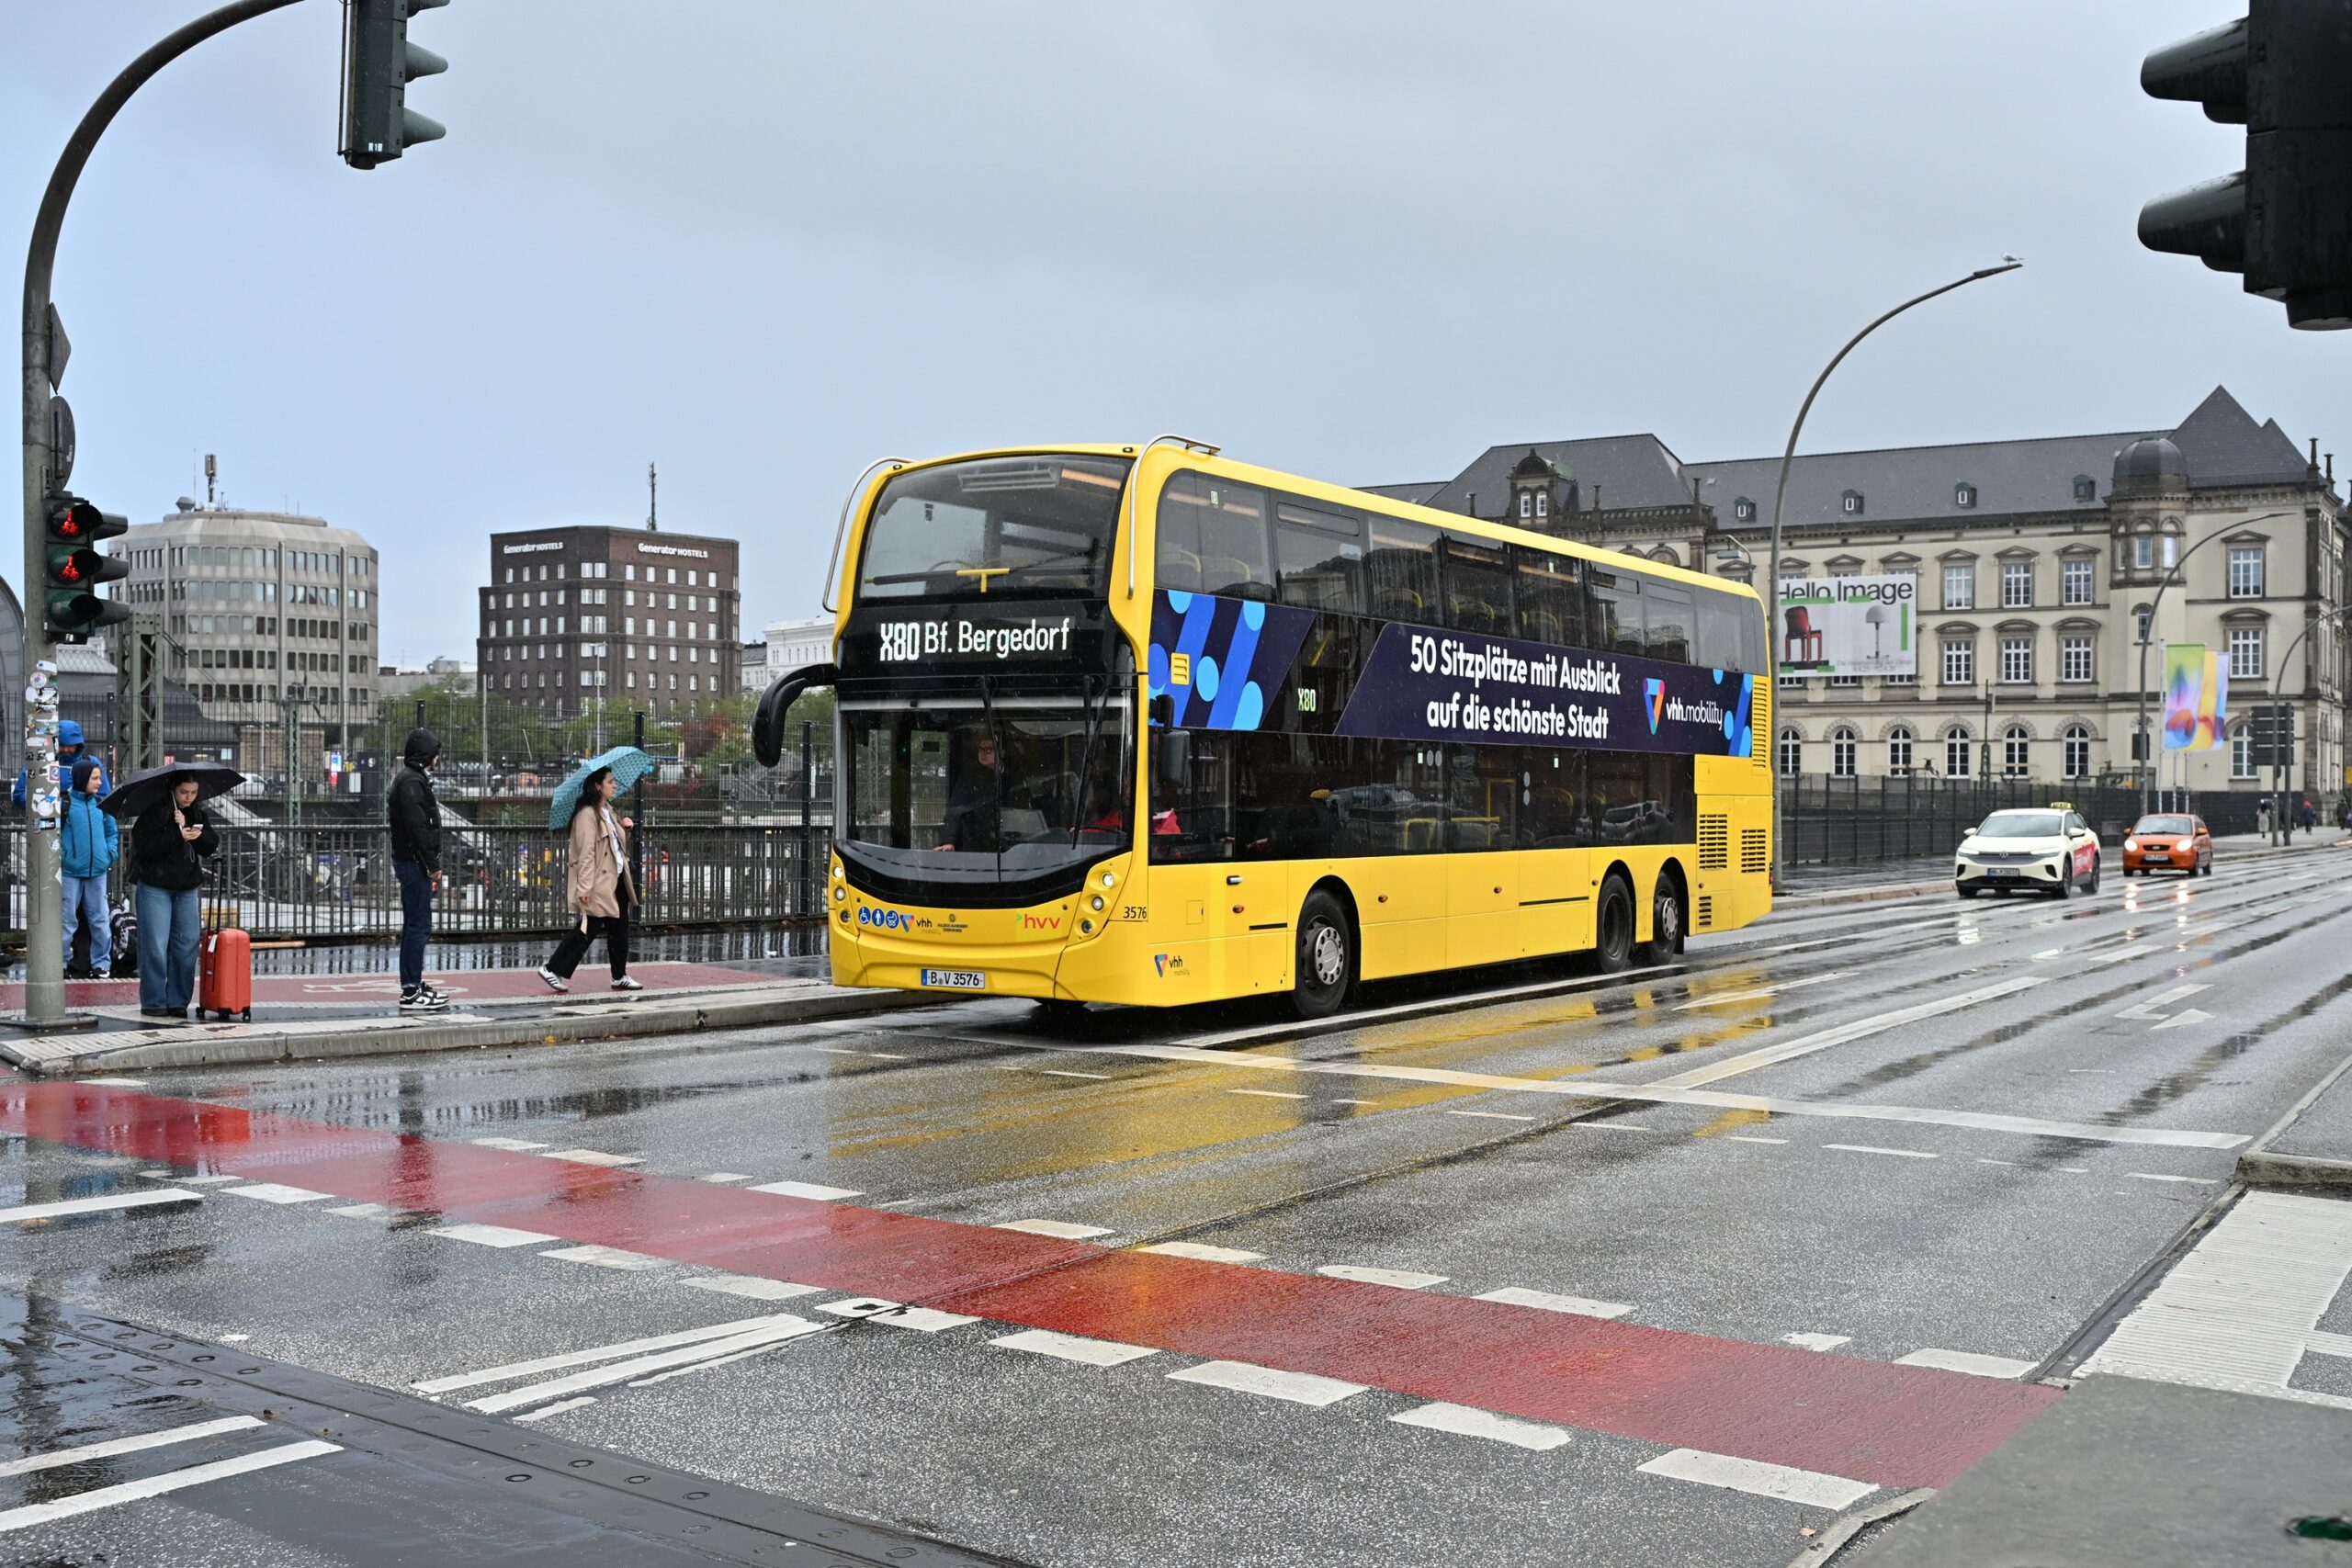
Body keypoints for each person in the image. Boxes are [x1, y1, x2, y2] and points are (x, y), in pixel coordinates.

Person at [537, 766, 642, 993]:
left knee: (620, 929)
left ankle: (619, 975)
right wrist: (584, 887)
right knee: (588, 928)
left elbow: (614, 846)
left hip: (616, 879)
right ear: (597, 786)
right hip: (598, 883)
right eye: (610, 782)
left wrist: (626, 829)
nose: (615, 785)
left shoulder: (608, 810)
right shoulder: (587, 815)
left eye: (614, 781)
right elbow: (586, 854)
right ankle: (552, 969)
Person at [130, 773, 216, 1021]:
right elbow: (144, 847)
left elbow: (210, 845)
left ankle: (178, 1000)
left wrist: (195, 833)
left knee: (187, 943)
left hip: (186, 886)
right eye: (183, 792)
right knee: (155, 945)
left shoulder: (196, 814)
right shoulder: (154, 813)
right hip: (155, 885)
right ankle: (154, 1000)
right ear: (173, 790)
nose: (188, 797)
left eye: (193, 793)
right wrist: (177, 834)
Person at [387, 728, 449, 1011]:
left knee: (416, 924)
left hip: (411, 860)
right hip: (413, 863)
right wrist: (432, 864)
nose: (438, 758)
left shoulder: (410, 779)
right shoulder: (412, 782)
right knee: (418, 925)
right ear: (427, 755)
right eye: (435, 754)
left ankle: (413, 984)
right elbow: (418, 826)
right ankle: (411, 990)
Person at [59, 757, 117, 979]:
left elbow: (111, 832)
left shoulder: (102, 805)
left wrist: (109, 854)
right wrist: (65, 857)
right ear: (83, 779)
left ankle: (101, 962)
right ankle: (62, 962)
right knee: (67, 921)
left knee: (99, 919)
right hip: (71, 872)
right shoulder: (65, 805)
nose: (99, 782)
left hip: (96, 871)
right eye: (95, 778)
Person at [13, 718, 105, 807]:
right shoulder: (38, 762)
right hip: (47, 814)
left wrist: (74, 804)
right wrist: (50, 802)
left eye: (70, 746)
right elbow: (19, 796)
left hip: (80, 816)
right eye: (61, 745)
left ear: (78, 745)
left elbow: (103, 797)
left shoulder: (91, 763)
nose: (66, 750)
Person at [938, 732, 1003, 852]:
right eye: (980, 749)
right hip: (976, 844)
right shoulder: (970, 776)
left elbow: (1024, 806)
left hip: (1010, 846)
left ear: (1001, 752)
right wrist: (948, 840)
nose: (983, 753)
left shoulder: (1011, 775)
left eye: (988, 750)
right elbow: (955, 808)